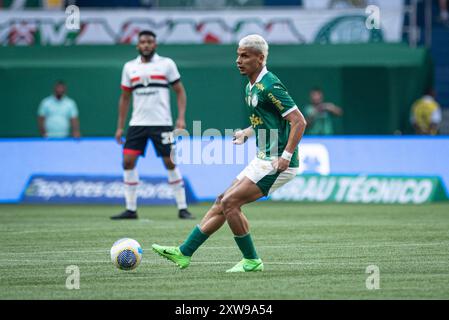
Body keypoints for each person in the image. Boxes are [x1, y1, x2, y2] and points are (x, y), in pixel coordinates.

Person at [151, 34, 307, 272]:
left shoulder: (270, 85)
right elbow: (267, 122)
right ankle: (184, 253)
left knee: (231, 203)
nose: (238, 60)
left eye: (245, 56)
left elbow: (299, 121)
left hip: (277, 163)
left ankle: (251, 261)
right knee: (222, 201)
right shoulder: (250, 86)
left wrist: (285, 156)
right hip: (263, 157)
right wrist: (247, 132)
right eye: (238, 55)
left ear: (261, 58)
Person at [111, 30, 194, 220]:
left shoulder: (166, 64)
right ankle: (131, 209)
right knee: (128, 162)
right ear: (137, 46)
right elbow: (124, 98)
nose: (146, 45)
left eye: (149, 42)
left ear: (155, 45)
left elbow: (180, 92)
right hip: (137, 124)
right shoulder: (129, 67)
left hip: (161, 123)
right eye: (143, 42)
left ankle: (182, 208)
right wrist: (119, 126)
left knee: (169, 162)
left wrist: (181, 118)